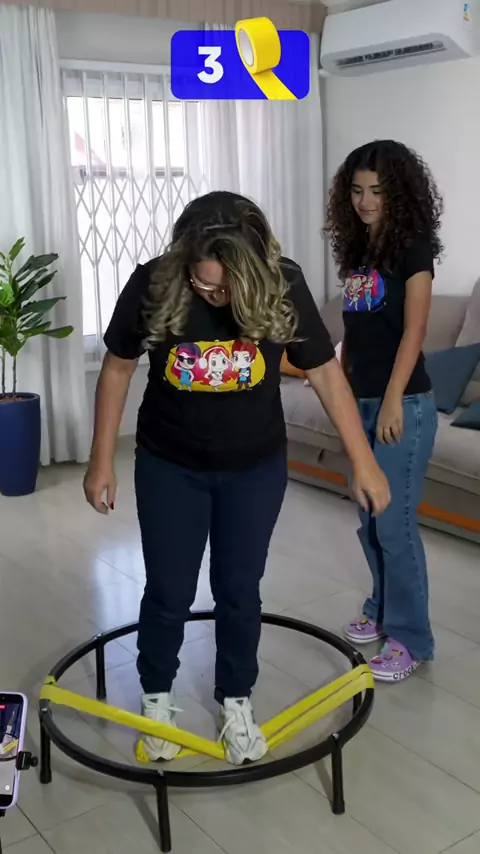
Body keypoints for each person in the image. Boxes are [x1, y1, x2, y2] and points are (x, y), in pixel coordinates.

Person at [83, 191, 390, 766]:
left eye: (224, 289)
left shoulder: (283, 281)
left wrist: (363, 459)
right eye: (203, 285)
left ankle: (236, 699)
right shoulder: (153, 282)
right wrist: (101, 459)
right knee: (169, 590)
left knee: (240, 589)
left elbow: (325, 373)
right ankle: (157, 699)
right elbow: (118, 368)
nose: (214, 296)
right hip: (170, 462)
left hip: (255, 466)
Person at [325, 140, 443, 683]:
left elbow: (414, 331)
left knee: (394, 525)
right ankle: (380, 609)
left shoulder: (414, 250)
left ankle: (411, 638)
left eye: (376, 190)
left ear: (399, 192)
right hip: (363, 399)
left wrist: (393, 397)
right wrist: (347, 401)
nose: (365, 201)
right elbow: (355, 335)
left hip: (405, 402)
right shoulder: (357, 252)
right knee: (368, 519)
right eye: (356, 190)